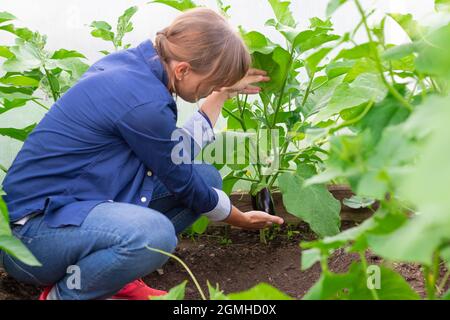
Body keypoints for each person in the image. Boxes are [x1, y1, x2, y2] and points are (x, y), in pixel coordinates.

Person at [0, 8, 284, 300]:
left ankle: (113, 278)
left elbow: (174, 153)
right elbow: (181, 178)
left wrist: (221, 92)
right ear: (183, 69)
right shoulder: (143, 102)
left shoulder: (137, 69)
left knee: (206, 177)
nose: (208, 89)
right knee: (154, 233)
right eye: (210, 82)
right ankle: (66, 294)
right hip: (31, 240)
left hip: (72, 210)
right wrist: (240, 219)